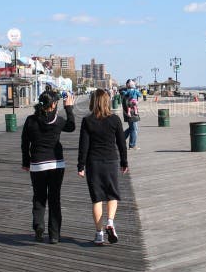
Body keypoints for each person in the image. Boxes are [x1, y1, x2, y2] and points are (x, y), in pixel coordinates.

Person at [21, 91, 76, 244]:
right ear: (53, 104)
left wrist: (26, 162)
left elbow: (25, 143)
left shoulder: (31, 120)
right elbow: (71, 127)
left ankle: (39, 225)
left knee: (39, 197)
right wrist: (69, 108)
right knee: (54, 198)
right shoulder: (58, 121)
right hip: (56, 164)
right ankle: (54, 235)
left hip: (37, 164)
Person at [77, 88, 128, 246]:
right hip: (111, 161)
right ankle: (110, 222)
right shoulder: (115, 120)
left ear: (93, 101)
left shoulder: (87, 121)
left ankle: (99, 234)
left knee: (97, 199)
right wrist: (124, 162)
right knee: (112, 195)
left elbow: (83, 146)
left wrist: (81, 165)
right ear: (107, 101)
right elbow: (121, 144)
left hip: (94, 163)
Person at [121, 79, 142, 149]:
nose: (134, 85)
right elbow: (128, 104)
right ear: (128, 85)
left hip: (131, 113)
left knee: (131, 128)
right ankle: (132, 145)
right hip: (131, 114)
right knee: (134, 129)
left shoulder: (127, 92)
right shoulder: (127, 92)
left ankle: (120, 139)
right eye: (132, 84)